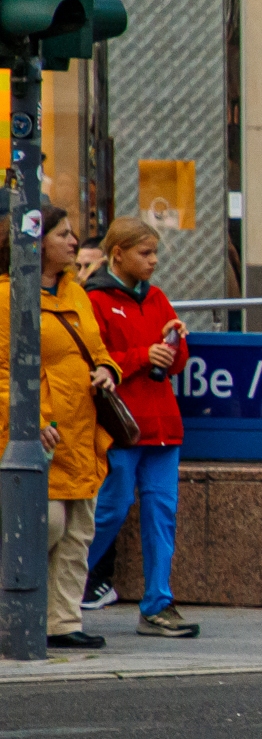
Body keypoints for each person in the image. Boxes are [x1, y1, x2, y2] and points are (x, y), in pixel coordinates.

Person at [0, 206, 118, 647]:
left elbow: (98, 349)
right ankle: (17, 611)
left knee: (78, 532)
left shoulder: (78, 293)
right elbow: (3, 373)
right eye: (64, 234)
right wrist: (30, 422)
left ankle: (62, 623)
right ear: (36, 242)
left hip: (81, 430)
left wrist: (107, 370)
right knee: (42, 524)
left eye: (73, 235)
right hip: (39, 435)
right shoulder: (9, 296)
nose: (75, 242)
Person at [79, 218, 197, 636]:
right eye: (145, 253)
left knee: (161, 514)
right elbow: (95, 361)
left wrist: (172, 344)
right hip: (122, 426)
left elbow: (175, 361)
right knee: (109, 510)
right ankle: (64, 586)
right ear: (119, 254)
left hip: (162, 425)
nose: (154, 261)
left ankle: (158, 603)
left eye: (154, 253)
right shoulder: (94, 300)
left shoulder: (158, 298)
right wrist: (143, 356)